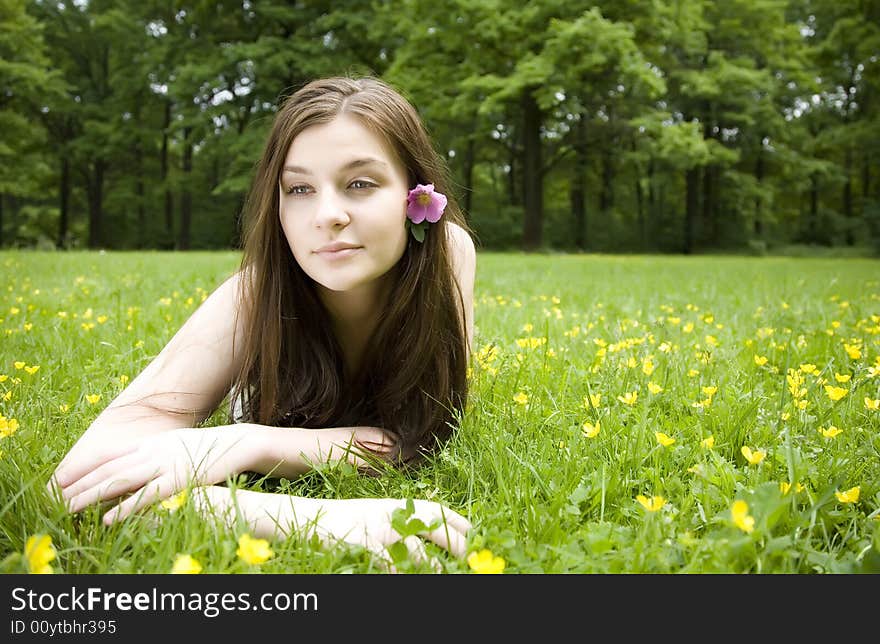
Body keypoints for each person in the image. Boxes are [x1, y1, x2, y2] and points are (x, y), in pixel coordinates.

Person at [47, 76, 477, 566]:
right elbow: (80, 481)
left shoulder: (449, 257)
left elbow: (418, 432)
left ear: (416, 194)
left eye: (360, 183)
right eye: (299, 188)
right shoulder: (255, 295)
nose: (327, 214)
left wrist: (248, 442)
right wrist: (315, 520)